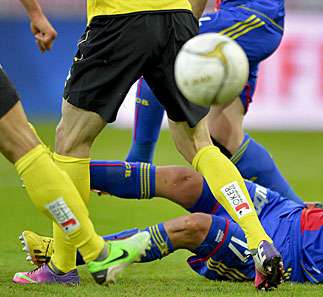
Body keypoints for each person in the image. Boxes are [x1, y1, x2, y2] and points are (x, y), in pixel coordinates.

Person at [20, 94, 323, 286]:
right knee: (187, 180)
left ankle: (76, 258)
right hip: (287, 213)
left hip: (286, 258)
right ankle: (61, 168)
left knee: (197, 226)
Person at [42, 0, 282, 290]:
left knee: (70, 141)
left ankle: (63, 265)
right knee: (199, 143)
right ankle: (258, 238)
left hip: (119, 18)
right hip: (177, 17)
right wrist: (185, 25)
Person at [5, 0, 151, 286]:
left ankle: (83, 258)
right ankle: (98, 253)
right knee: (29, 149)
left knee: (46, 145)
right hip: (172, 20)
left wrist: (35, 13)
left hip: (120, 21)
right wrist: (35, 13)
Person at [125, 0, 304, 205]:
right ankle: (299, 210)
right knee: (223, 133)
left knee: (162, 48)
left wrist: (183, 26)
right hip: (250, 19)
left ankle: (139, 161)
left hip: (252, 16)